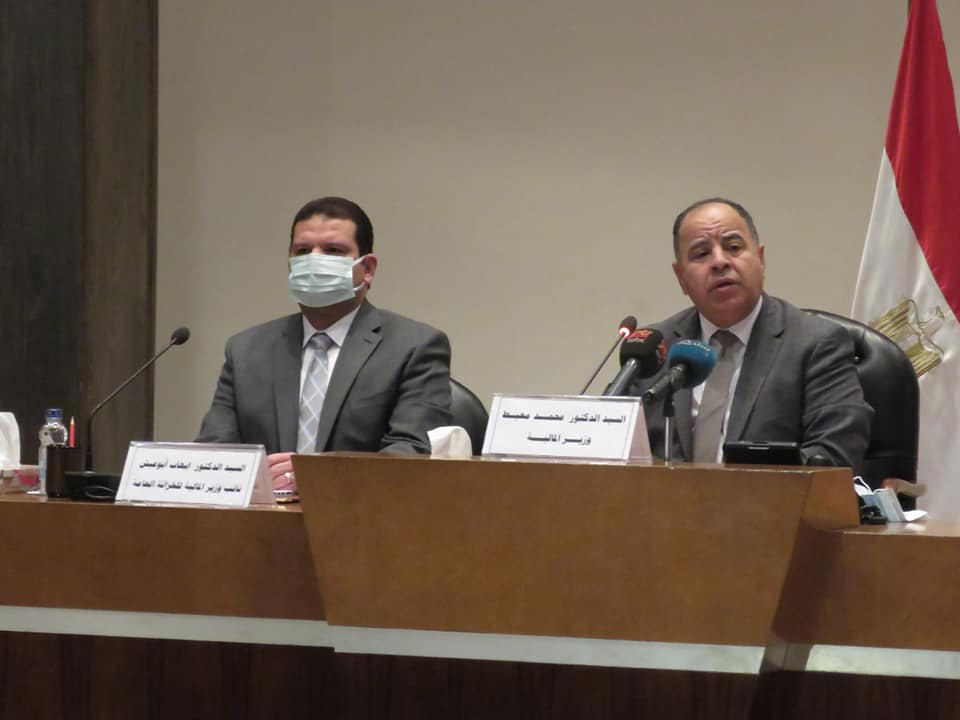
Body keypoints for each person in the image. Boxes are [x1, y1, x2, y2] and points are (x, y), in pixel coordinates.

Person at [197, 196, 452, 491]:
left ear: (367, 268)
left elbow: (412, 452)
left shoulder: (415, 346)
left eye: (333, 251)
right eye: (302, 251)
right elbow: (214, 452)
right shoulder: (246, 350)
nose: (313, 262)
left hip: (362, 513)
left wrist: (314, 476)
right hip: (264, 514)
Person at [629, 197, 872, 469]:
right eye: (701, 254)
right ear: (681, 277)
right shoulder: (653, 348)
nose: (720, 262)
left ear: (760, 259)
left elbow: (834, 453)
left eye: (733, 247)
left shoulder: (817, 344)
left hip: (770, 496)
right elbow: (610, 443)